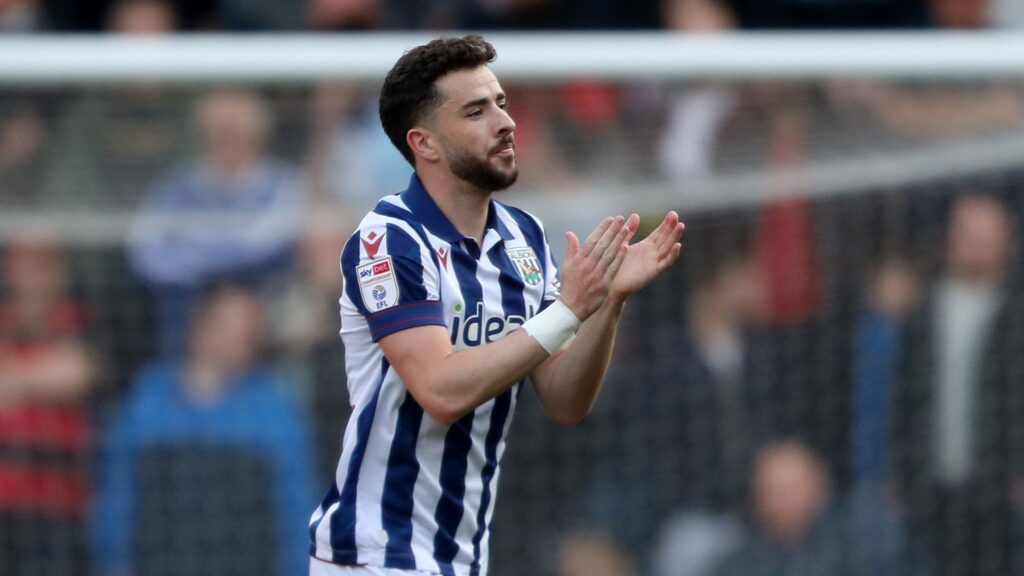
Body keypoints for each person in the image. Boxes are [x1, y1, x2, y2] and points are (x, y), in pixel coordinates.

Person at [308, 35, 684, 576]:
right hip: (375, 555)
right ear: (426, 143)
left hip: (462, 556)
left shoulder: (525, 239)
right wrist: (569, 310)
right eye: (476, 111)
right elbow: (440, 389)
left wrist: (607, 302)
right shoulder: (389, 241)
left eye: (502, 104)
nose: (505, 123)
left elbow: (564, 400)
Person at [93, 284, 317, 576]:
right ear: (197, 326)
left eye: (247, 329)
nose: (236, 338)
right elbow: (118, 495)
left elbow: (296, 507)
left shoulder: (276, 409)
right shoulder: (148, 398)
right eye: (226, 325)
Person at [892, 194, 1024, 576]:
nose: (979, 251)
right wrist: (901, 472)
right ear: (950, 240)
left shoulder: (1017, 313)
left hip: (1000, 488)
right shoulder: (921, 312)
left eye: (989, 241)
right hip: (932, 488)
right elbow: (904, 396)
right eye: (970, 238)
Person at [127, 88, 305, 357]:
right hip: (184, 303)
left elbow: (265, 245)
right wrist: (208, 269)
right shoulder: (178, 185)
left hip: (260, 301)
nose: (225, 141)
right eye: (217, 132)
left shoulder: (283, 183)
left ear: (257, 134)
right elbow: (145, 252)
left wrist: (195, 254)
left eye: (234, 131)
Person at [0, 237, 99, 576]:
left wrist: (13, 377)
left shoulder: (84, 321)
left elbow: (76, 373)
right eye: (26, 265)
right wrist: (40, 375)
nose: (35, 278)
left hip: (58, 509)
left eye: (45, 267)